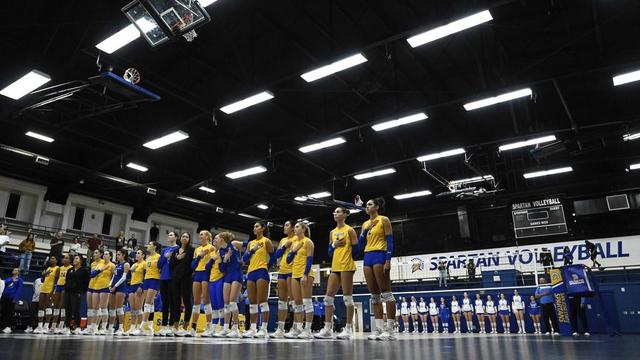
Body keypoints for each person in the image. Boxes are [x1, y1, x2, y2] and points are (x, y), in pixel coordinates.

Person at [316, 208, 359, 340]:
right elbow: (329, 252)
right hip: (335, 267)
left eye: (338, 212)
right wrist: (333, 245)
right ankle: (328, 328)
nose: (335, 214)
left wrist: (347, 253)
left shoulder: (350, 230)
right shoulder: (332, 232)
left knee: (347, 298)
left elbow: (356, 252)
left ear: (345, 214)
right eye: (334, 212)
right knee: (328, 298)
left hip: (347, 266)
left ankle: (348, 329)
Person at [359, 197, 396, 340]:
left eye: (369, 204)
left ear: (377, 207)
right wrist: (365, 230)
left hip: (380, 255)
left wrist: (388, 260)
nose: (367, 207)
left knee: (386, 293)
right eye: (366, 205)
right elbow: (361, 243)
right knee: (374, 296)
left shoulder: (384, 220)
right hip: (367, 256)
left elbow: (390, 241)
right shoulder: (365, 224)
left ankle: (390, 330)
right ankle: (379, 329)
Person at [242, 222, 274, 338]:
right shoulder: (251, 243)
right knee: (252, 303)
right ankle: (253, 328)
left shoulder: (267, 241)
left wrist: (266, 268)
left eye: (257, 226)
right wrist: (252, 250)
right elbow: (244, 259)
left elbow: (273, 257)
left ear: (263, 228)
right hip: (251, 273)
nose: (254, 228)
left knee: (262, 301)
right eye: (254, 226)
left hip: (262, 271)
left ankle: (264, 329)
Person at [285, 221, 316, 339]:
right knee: (297, 302)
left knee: (307, 302)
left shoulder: (308, 242)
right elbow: (288, 260)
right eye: (295, 227)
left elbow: (309, 260)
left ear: (303, 229)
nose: (295, 229)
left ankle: (308, 330)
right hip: (294, 274)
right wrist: (293, 251)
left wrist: (305, 274)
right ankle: (298, 329)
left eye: (297, 227)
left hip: (305, 274)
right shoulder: (294, 243)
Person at [212, 232, 243, 338]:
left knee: (232, 302)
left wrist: (242, 258)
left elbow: (248, 244)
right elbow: (221, 269)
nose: (216, 240)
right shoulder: (220, 251)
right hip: (228, 276)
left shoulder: (233, 244)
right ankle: (225, 329)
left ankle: (235, 329)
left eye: (217, 238)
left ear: (222, 239)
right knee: (226, 304)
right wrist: (225, 259)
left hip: (237, 274)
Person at [271, 220, 295, 338]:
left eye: (287, 225)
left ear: (293, 228)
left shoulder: (298, 239)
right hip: (282, 271)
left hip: (293, 271)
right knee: (282, 301)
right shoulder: (283, 240)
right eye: (284, 225)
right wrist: (285, 246)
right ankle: (280, 329)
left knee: (294, 301)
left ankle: (295, 328)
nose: (284, 227)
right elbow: (276, 255)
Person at [189, 231, 215, 337]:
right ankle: (193, 328)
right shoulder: (197, 249)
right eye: (199, 234)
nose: (200, 236)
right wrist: (199, 256)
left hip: (206, 274)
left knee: (206, 300)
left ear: (208, 237)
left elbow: (212, 262)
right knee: (196, 301)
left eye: (202, 234)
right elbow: (193, 265)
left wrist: (206, 253)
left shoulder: (212, 247)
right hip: (197, 274)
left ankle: (209, 327)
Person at [170, 232, 194, 336]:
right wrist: (177, 258)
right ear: (180, 238)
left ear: (189, 239)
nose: (184, 238)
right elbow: (171, 265)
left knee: (187, 302)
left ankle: (185, 326)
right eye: (183, 236)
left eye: (187, 237)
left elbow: (192, 265)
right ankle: (175, 327)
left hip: (186, 279)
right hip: (175, 278)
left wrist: (184, 274)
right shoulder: (175, 250)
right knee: (176, 302)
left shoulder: (192, 250)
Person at [157, 231, 179, 336]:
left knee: (173, 302)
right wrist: (165, 256)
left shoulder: (178, 249)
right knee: (164, 303)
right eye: (168, 235)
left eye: (171, 235)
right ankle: (164, 326)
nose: (169, 236)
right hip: (163, 278)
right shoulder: (165, 250)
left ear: (176, 237)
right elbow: (159, 265)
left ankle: (171, 326)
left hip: (173, 278)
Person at [139, 241, 161, 336]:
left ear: (154, 247)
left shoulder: (158, 257)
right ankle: (151, 326)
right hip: (147, 280)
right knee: (150, 304)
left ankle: (142, 326)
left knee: (147, 303)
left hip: (154, 279)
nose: (147, 246)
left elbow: (160, 269)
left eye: (150, 244)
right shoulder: (148, 258)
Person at [91, 250, 115, 334]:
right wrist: (101, 269)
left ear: (110, 256)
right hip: (96, 286)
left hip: (105, 287)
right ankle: (94, 327)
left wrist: (111, 285)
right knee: (95, 309)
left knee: (103, 308)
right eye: (104, 254)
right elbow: (92, 274)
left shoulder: (112, 265)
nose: (105, 255)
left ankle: (104, 328)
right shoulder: (99, 264)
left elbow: (114, 277)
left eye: (107, 254)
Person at [108, 249, 130, 335]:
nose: (117, 256)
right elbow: (114, 276)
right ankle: (110, 328)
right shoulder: (116, 265)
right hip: (113, 286)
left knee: (119, 308)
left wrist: (115, 286)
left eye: (119, 254)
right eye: (117, 254)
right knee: (111, 309)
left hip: (120, 287)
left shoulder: (126, 264)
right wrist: (110, 285)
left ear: (124, 255)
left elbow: (124, 277)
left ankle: (121, 328)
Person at [34, 256, 59, 334]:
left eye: (53, 258)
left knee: (48, 307)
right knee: (40, 307)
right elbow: (43, 279)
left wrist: (53, 291)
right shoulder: (48, 268)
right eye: (51, 258)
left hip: (50, 289)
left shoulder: (57, 268)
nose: (51, 259)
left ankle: (46, 326)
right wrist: (44, 274)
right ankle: (40, 326)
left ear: (56, 260)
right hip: (43, 288)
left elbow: (57, 280)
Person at [65, 255, 89, 335]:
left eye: (76, 258)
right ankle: (67, 327)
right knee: (68, 310)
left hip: (77, 292)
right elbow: (66, 280)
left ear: (81, 261)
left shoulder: (84, 270)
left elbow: (87, 282)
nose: (74, 260)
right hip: (68, 291)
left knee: (76, 310)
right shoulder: (70, 270)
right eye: (74, 258)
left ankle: (78, 327)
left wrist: (82, 291)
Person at [83, 249, 104, 335]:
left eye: (96, 253)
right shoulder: (92, 263)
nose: (94, 254)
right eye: (94, 253)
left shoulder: (102, 262)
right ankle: (89, 327)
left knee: (97, 308)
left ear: (101, 254)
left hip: (99, 286)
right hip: (91, 286)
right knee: (90, 309)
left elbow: (93, 274)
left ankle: (95, 327)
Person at [207, 236, 225, 336]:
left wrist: (220, 258)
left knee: (220, 303)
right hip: (211, 280)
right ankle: (213, 327)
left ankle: (222, 327)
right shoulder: (211, 253)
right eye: (213, 239)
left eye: (216, 239)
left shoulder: (223, 252)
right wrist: (212, 260)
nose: (214, 241)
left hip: (220, 279)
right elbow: (207, 267)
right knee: (213, 305)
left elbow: (223, 269)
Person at [126, 249, 146, 336]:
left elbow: (146, 276)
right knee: (133, 308)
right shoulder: (134, 264)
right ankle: (132, 328)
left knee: (138, 308)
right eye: (136, 253)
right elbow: (128, 276)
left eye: (139, 253)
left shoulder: (144, 264)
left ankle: (140, 328)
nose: (137, 255)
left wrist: (141, 286)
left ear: (143, 255)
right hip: (132, 285)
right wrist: (130, 270)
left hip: (139, 285)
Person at [52, 254, 72, 334]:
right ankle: (53, 326)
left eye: (67, 258)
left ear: (70, 260)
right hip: (58, 286)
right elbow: (56, 277)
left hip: (65, 287)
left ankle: (61, 326)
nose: (64, 259)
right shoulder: (59, 268)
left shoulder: (71, 268)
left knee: (63, 306)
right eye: (64, 258)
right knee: (56, 306)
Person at [1, 268, 23, 333]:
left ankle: (8, 327)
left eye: (16, 270)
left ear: (18, 273)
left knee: (9, 313)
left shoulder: (20, 280)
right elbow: (3, 284)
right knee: (3, 312)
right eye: (14, 270)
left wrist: (15, 299)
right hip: (4, 297)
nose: (14, 270)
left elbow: (19, 290)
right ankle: (3, 326)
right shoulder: (9, 278)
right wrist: (12, 280)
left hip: (11, 298)